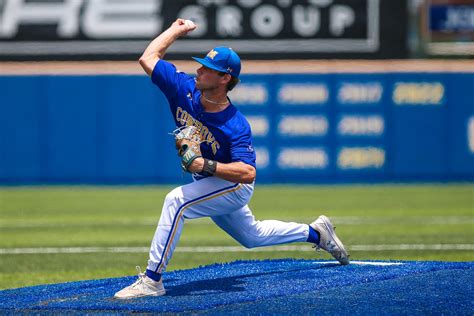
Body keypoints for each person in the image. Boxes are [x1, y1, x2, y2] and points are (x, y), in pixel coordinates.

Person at [114, 19, 349, 300]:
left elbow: (248, 172)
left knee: (176, 201)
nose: (199, 70)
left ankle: (152, 280)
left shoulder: (235, 124)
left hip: (233, 186)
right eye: (201, 65)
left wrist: (206, 165)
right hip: (207, 182)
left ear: (225, 78)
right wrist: (176, 30)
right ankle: (316, 233)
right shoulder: (182, 88)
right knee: (252, 236)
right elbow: (148, 57)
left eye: (208, 69)